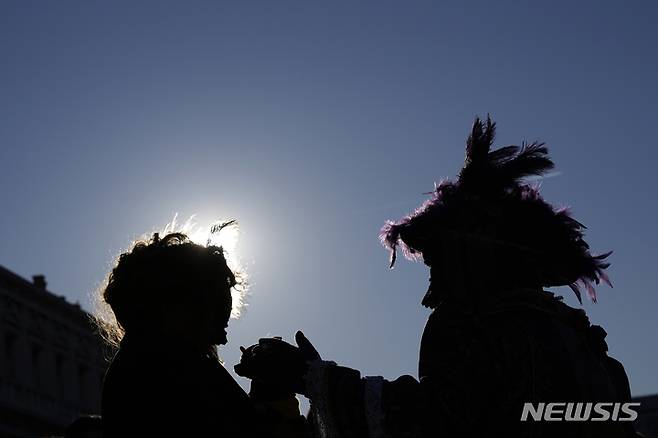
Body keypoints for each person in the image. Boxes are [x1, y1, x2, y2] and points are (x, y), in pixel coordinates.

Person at [236, 117, 640, 437]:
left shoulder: (498, 329)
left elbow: (435, 421)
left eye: (441, 255)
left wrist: (310, 377)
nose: (432, 270)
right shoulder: (577, 340)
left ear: (480, 254)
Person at [96, 222, 306, 437]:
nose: (221, 340)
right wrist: (312, 381)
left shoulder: (151, 363)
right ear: (175, 302)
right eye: (215, 311)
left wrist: (271, 392)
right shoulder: (169, 370)